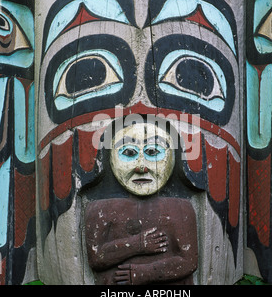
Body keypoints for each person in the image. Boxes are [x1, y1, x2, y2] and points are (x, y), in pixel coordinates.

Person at [84, 121, 198, 285]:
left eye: (153, 152)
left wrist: (144, 273)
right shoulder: (100, 209)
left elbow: (189, 261)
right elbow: (96, 258)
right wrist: (138, 244)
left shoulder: (180, 208)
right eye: (128, 153)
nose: (141, 167)